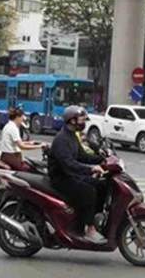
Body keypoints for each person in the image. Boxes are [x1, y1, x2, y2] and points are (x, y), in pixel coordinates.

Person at [48, 105, 107, 245]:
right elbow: (68, 164)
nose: (83, 122)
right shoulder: (61, 139)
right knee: (89, 192)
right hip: (61, 178)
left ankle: (94, 218)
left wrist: (101, 159)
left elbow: (82, 156)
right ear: (72, 121)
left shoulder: (72, 136)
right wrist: (91, 169)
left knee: (102, 185)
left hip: (71, 175)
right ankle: (87, 228)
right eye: (81, 119)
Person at [0, 107, 47, 171]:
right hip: (12, 159)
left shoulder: (8, 126)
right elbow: (21, 146)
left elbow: (15, 142)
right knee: (32, 170)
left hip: (6, 157)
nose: (22, 119)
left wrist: (29, 143)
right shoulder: (13, 128)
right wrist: (39, 146)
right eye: (22, 117)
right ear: (17, 117)